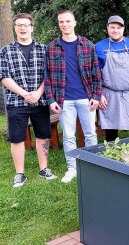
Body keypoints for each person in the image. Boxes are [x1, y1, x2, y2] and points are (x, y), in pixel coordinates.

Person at [45, 10, 102, 183]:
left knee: (90, 133)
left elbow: (96, 73)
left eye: (68, 21)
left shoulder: (87, 45)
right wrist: (51, 99)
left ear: (75, 23)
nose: (65, 24)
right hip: (64, 100)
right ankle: (72, 168)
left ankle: (93, 165)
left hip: (86, 97)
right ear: (59, 24)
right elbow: (46, 76)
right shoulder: (52, 47)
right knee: (68, 136)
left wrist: (97, 95)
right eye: (61, 22)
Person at [0, 13, 57, 188]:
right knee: (17, 138)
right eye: (19, 25)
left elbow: (48, 75)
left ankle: (44, 169)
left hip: (39, 101)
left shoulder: (43, 49)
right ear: (15, 28)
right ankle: (20, 174)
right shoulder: (6, 51)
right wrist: (25, 94)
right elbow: (4, 77)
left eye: (26, 25)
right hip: (16, 102)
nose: (22, 28)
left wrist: (39, 93)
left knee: (43, 135)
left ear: (32, 27)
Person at [96, 15, 129, 142]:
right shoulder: (99, 46)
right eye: (112, 27)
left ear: (123, 29)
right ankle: (112, 156)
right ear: (107, 29)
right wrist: (99, 94)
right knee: (111, 128)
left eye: (118, 28)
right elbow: (95, 73)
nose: (115, 30)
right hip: (109, 94)